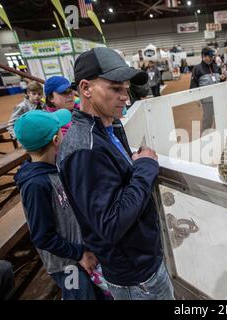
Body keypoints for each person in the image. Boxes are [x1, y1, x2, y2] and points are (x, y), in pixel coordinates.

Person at [57, 47, 174, 300]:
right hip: (136, 277)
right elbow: (111, 223)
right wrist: (144, 167)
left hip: (141, 263)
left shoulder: (107, 125)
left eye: (126, 88)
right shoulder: (85, 150)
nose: (126, 97)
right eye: (115, 89)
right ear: (86, 88)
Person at [13, 109, 106, 300]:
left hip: (78, 253)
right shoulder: (35, 185)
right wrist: (79, 253)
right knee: (80, 296)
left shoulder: (54, 167)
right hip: (67, 265)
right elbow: (42, 236)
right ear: (56, 140)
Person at [190, 47, 226, 133]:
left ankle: (218, 136)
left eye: (212, 56)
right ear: (203, 56)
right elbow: (193, 85)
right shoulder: (197, 69)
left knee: (220, 119)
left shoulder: (215, 67)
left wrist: (222, 78)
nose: (211, 58)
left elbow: (219, 80)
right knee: (208, 120)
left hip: (218, 98)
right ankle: (205, 138)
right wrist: (197, 99)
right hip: (207, 100)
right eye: (209, 57)